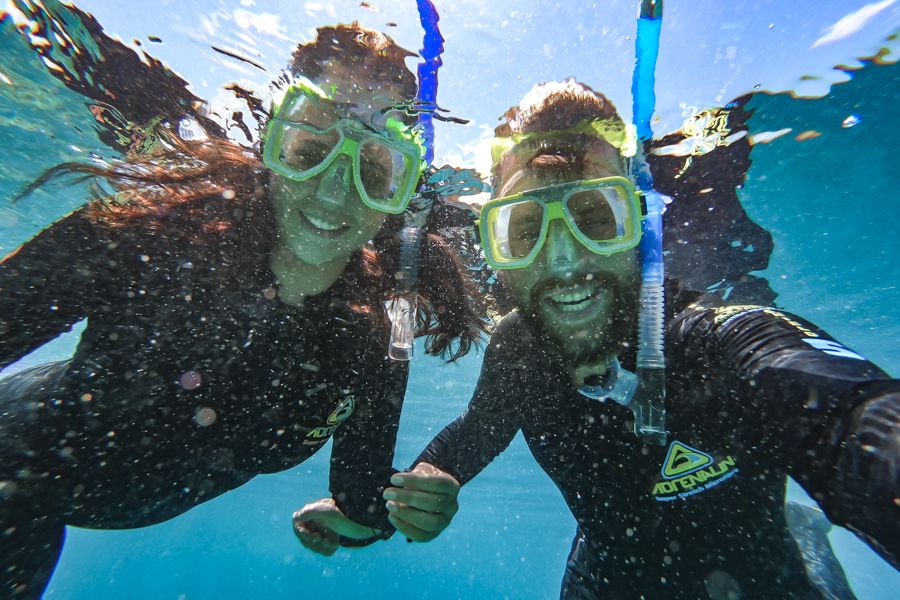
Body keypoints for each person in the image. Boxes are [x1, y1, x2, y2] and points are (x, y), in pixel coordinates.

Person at [0, 23, 485, 599]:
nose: (334, 190)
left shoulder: (380, 329)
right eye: (310, 149)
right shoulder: (151, 237)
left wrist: (392, 515)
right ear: (272, 147)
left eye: (375, 170)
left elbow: (360, 491)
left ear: (400, 193)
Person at [382, 80, 900, 599]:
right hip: (607, 573)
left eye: (596, 218)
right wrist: (428, 478)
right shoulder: (520, 353)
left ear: (640, 221)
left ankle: (807, 535)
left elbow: (849, 415)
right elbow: (476, 430)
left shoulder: (714, 336)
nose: (564, 262)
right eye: (525, 228)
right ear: (496, 245)